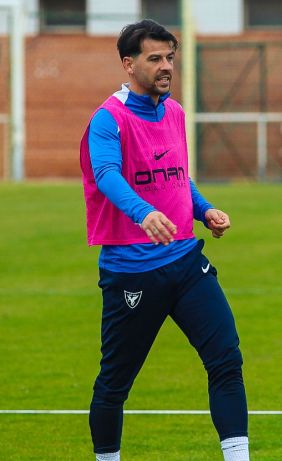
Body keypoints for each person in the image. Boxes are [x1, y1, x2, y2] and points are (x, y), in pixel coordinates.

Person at [79, 19, 250, 461]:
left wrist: (203, 208)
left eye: (169, 58)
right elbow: (106, 175)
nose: (165, 66)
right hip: (133, 271)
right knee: (115, 383)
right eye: (154, 58)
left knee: (226, 360)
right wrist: (144, 212)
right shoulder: (107, 119)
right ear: (128, 63)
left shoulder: (173, 112)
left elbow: (176, 179)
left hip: (187, 263)